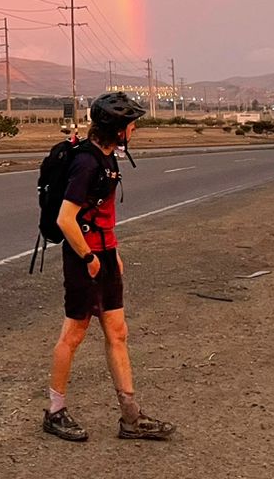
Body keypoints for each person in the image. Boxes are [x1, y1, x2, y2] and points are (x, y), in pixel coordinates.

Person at [42, 91, 176, 443]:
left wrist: (111, 252)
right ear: (118, 128)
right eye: (131, 124)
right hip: (84, 258)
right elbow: (66, 219)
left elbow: (101, 215)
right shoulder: (86, 163)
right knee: (73, 335)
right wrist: (88, 258)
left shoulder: (108, 158)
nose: (134, 130)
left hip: (104, 254)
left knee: (117, 332)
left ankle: (130, 417)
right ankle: (54, 412)